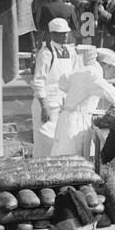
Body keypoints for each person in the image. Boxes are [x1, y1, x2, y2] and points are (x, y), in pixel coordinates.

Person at [52, 48, 115, 157]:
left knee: (77, 161)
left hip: (75, 117)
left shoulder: (86, 70)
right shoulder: (93, 74)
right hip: (75, 121)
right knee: (68, 160)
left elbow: (63, 82)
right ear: (107, 66)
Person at [30, 18, 77, 158]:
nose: (65, 36)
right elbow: (38, 81)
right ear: (52, 35)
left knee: (61, 142)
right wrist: (44, 108)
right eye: (61, 34)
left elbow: (73, 76)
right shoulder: (45, 54)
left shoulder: (71, 51)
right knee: (44, 143)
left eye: (66, 33)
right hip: (46, 104)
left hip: (63, 104)